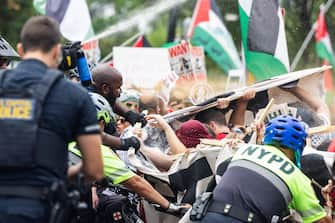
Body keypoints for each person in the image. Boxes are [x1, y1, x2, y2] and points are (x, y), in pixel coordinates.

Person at [0, 16, 104, 223]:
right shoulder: (75, 96)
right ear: (57, 51)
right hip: (40, 208)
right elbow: (94, 169)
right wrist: (61, 174)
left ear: (20, 50)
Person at [69, 92, 189, 222]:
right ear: (101, 123)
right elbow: (134, 182)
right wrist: (170, 206)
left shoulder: (63, 139)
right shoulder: (94, 149)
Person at [201, 115, 331, 223]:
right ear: (298, 147)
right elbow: (319, 221)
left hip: (208, 216)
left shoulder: (243, 150)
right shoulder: (296, 176)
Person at [90, 64, 146, 152]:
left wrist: (129, 114)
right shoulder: (90, 104)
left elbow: (111, 100)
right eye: (118, 88)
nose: (120, 93)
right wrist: (123, 143)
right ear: (105, 88)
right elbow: (95, 135)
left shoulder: (99, 92)